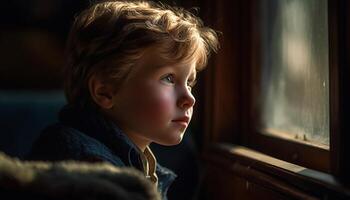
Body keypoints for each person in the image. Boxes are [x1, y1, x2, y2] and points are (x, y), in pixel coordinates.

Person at [27, 1, 219, 199]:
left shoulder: (144, 164)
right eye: (168, 78)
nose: (189, 98)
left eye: (189, 82)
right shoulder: (85, 164)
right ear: (105, 92)